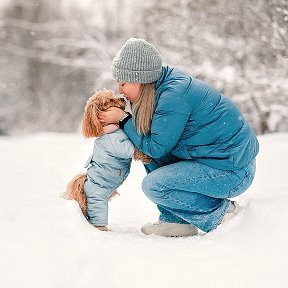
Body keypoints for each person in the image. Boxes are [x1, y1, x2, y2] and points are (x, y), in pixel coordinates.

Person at [99, 38, 259, 237]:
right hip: (221, 162)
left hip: (233, 172)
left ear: (140, 79)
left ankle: (223, 215)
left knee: (154, 185)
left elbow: (156, 147)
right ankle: (175, 221)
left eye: (123, 83)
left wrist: (123, 119)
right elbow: (155, 150)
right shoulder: (162, 85)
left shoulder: (172, 96)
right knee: (152, 156)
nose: (120, 90)